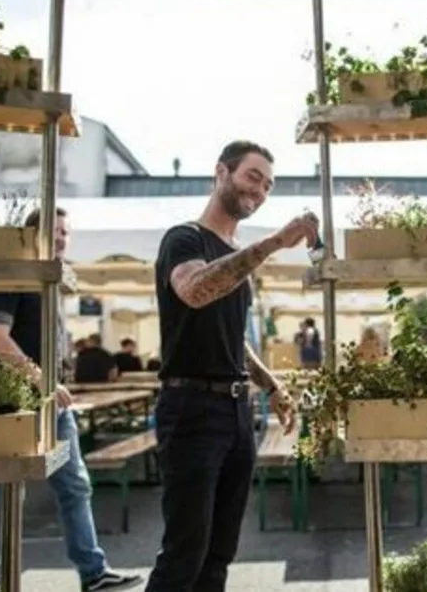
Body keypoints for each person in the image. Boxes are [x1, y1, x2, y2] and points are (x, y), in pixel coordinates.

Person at [145, 140, 308, 592]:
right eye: (252, 177)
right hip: (191, 407)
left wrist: (272, 384)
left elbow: (231, 337)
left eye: (269, 185)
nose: (259, 190)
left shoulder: (234, 253)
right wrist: (274, 243)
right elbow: (195, 290)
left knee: (219, 553)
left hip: (237, 412)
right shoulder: (185, 239)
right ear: (221, 172)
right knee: (185, 552)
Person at [0, 206, 140, 592]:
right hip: (18, 403)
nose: (62, 237)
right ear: (33, 233)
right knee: (4, 493)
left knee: (74, 486)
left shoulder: (48, 281)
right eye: (55, 230)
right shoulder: (15, 276)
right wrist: (43, 380)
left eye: (67, 232)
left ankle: (93, 573)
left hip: (53, 408)